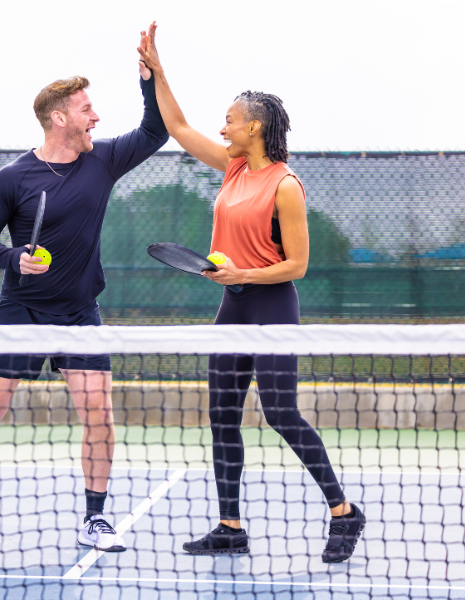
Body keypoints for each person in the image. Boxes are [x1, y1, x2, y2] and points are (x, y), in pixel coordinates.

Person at [0, 41, 169, 553]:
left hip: (79, 311)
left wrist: (150, 79)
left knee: (98, 410)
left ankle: (95, 519)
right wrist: (13, 258)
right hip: (20, 309)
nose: (96, 117)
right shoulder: (14, 178)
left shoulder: (104, 161)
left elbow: (154, 131)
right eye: (86, 109)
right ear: (59, 118)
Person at [137, 22, 365, 563]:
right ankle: (230, 526)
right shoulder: (233, 167)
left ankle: (343, 513)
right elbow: (178, 124)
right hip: (232, 304)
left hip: (271, 303)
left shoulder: (285, 185)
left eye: (232, 120)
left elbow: (299, 265)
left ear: (255, 127)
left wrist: (243, 274)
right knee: (222, 413)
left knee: (282, 412)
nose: (224, 127)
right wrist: (157, 73)